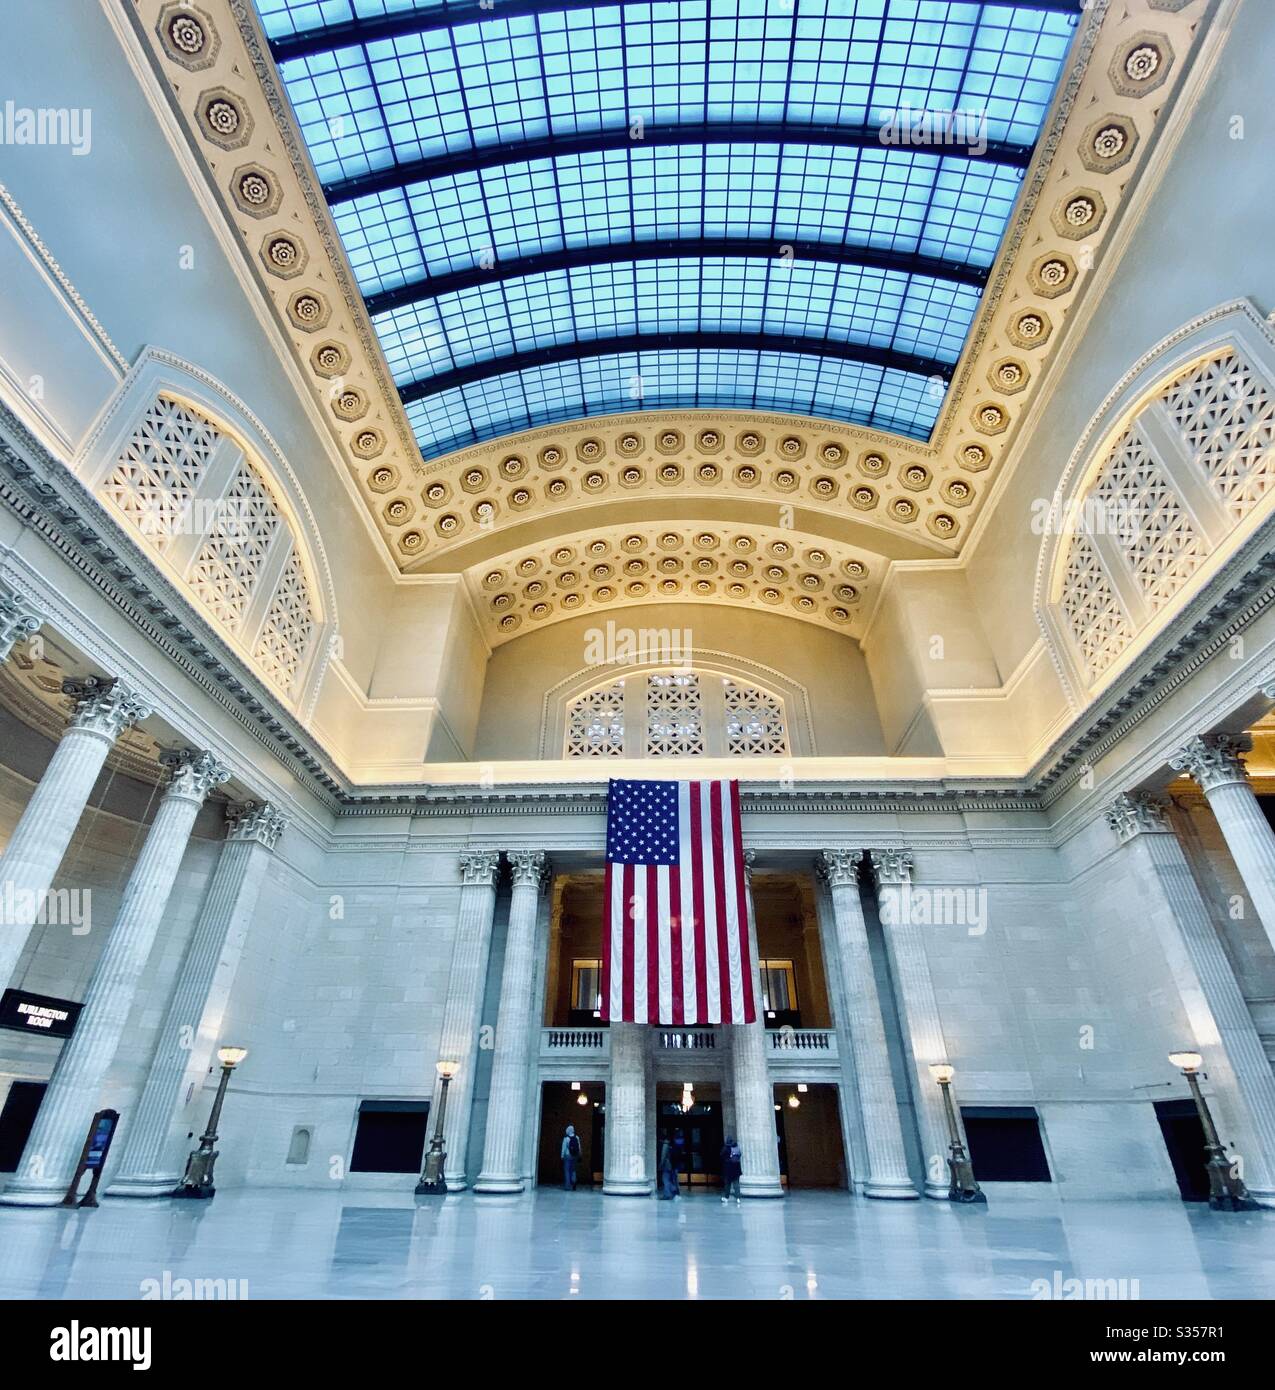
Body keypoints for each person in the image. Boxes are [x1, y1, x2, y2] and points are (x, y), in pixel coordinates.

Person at [720, 1136, 742, 1205]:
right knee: (736, 1183)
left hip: (728, 1168)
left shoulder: (726, 1148)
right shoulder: (736, 1147)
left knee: (727, 1183)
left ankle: (726, 1198)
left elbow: (721, 1155)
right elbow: (740, 1155)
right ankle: (738, 1198)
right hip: (736, 1168)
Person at [658, 1133, 679, 1199]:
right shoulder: (671, 1144)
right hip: (671, 1165)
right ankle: (672, 1191)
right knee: (669, 1179)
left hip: (666, 1166)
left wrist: (660, 1165)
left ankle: (668, 1194)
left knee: (665, 1179)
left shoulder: (665, 1145)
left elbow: (663, 1157)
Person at [561, 1124, 581, 1190]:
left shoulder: (566, 1138)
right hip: (575, 1156)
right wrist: (579, 1154)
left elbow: (563, 1148)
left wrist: (562, 1156)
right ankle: (574, 1182)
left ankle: (567, 1186)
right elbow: (579, 1147)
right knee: (573, 1170)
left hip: (567, 1156)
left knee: (567, 1170)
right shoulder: (577, 1137)